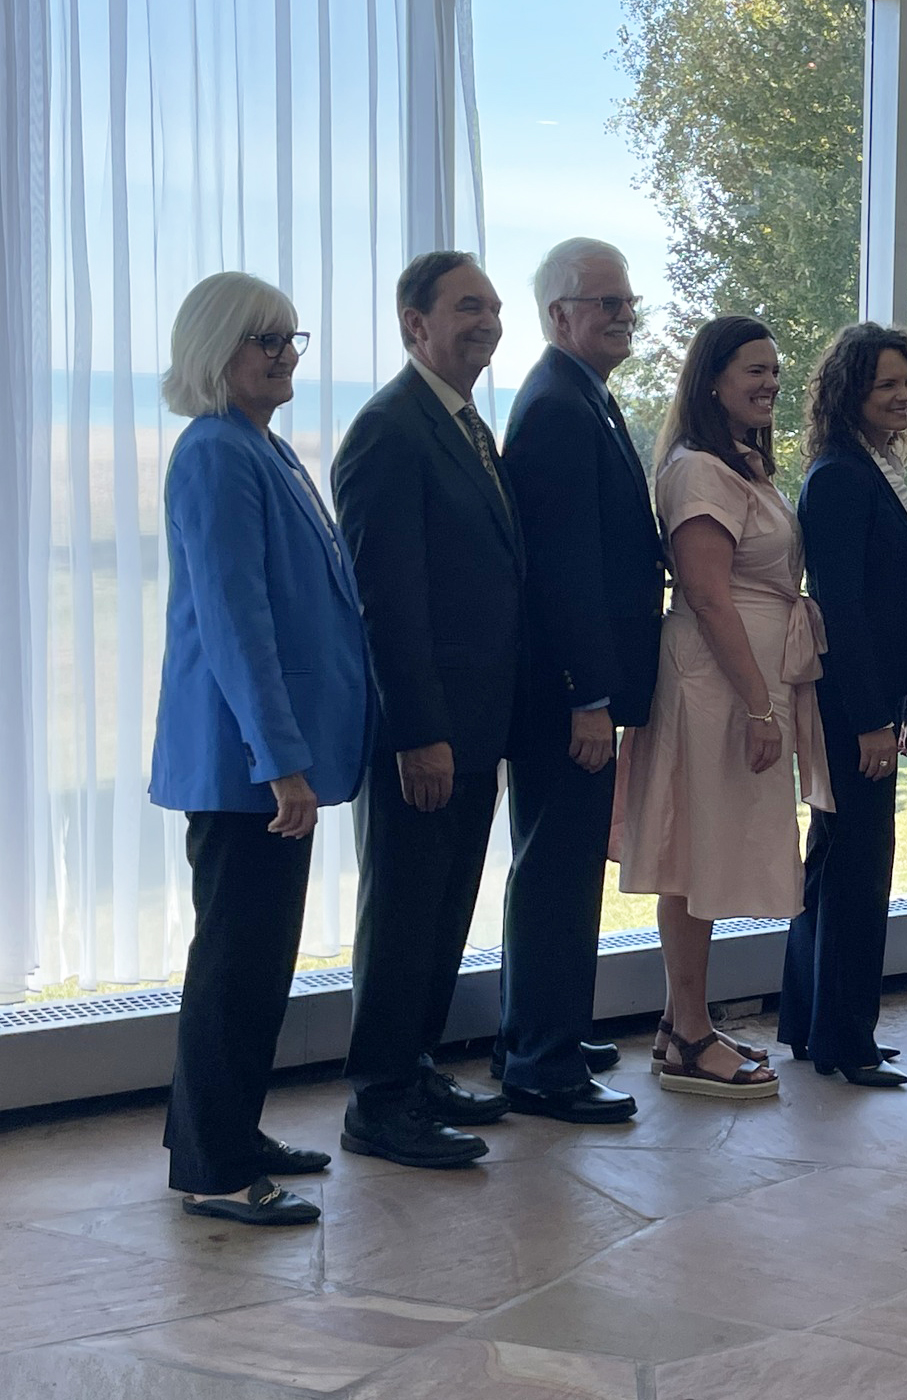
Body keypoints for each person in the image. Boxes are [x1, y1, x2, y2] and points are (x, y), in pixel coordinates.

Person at [149, 273, 367, 1227]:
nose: (282, 354)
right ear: (213, 351)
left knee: (255, 961)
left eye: (290, 338)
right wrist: (281, 760)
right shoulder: (214, 454)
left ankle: (223, 1130)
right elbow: (239, 627)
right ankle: (214, 1168)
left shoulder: (263, 450)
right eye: (261, 339)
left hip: (270, 762)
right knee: (238, 964)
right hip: (244, 767)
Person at [332, 251, 522, 1168]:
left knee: (444, 911)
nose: (486, 322)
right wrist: (420, 734)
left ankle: (414, 1070)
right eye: (465, 307)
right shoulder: (388, 431)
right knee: (406, 913)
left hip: (477, 726)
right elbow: (387, 605)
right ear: (414, 325)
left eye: (491, 306)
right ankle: (379, 1102)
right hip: (427, 732)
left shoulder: (465, 424)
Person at [612, 315, 832, 1100]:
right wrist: (757, 706)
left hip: (741, 676)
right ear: (712, 379)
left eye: (775, 369)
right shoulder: (701, 471)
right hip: (717, 682)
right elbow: (706, 592)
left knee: (700, 850)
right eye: (752, 370)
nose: (770, 381)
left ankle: (682, 1023)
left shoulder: (739, 465)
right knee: (696, 851)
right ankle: (693, 1032)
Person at [490, 237, 663, 1124]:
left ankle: (540, 1026)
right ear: (559, 315)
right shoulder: (558, 406)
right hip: (567, 699)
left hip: (581, 693)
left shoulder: (582, 396)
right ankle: (541, 1064)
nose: (623, 316)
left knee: (555, 871)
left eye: (629, 303)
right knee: (557, 874)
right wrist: (587, 696)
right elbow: (561, 572)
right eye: (606, 304)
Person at [779, 324, 907, 1088]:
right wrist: (873, 714)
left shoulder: (876, 465)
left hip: (873, 700)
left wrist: (900, 698)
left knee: (836, 859)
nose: (902, 396)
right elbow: (841, 603)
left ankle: (815, 1026)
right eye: (886, 385)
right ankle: (847, 1040)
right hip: (850, 707)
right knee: (858, 870)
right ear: (850, 393)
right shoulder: (841, 474)